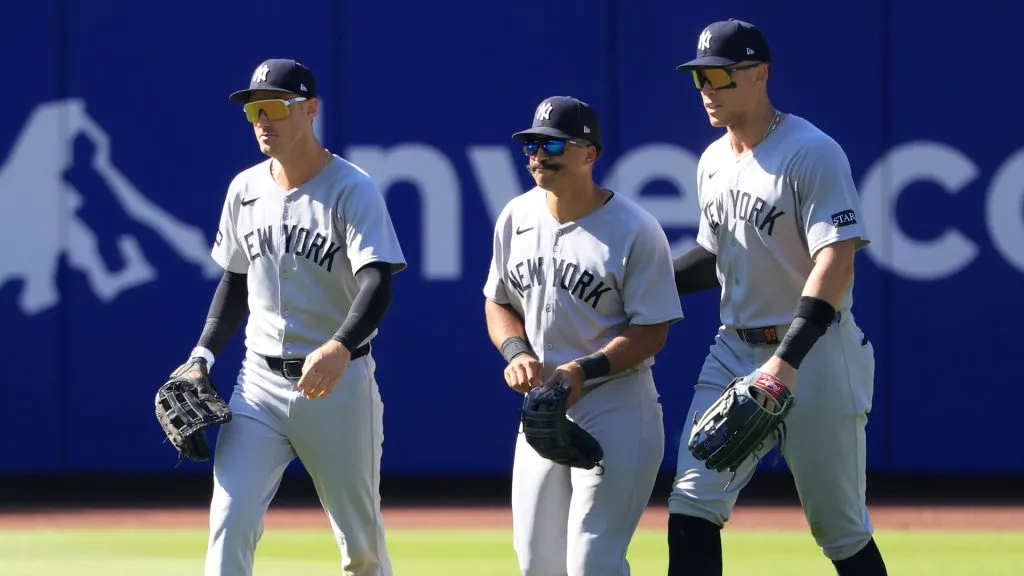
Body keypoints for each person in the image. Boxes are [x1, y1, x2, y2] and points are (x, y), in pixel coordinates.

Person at [667, 20, 889, 575]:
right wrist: (640, 282)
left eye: (721, 75)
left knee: (840, 530)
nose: (708, 91)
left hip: (814, 353)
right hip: (732, 351)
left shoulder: (811, 152)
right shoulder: (713, 160)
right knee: (690, 505)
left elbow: (835, 260)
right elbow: (711, 260)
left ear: (760, 73)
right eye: (699, 79)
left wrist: (785, 361)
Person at [186, 58, 406, 576]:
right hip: (257, 384)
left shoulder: (352, 188)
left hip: (338, 383)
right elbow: (236, 282)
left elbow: (378, 281)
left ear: (310, 110)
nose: (262, 120)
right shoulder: (244, 188)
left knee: (362, 545)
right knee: (229, 519)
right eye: (253, 110)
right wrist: (200, 356)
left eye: (274, 108)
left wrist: (340, 344)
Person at [482, 95, 684, 576]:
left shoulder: (635, 228)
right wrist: (515, 350)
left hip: (615, 403)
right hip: (543, 403)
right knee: (537, 564)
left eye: (552, 144)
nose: (538, 156)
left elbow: (652, 330)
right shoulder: (516, 216)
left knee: (593, 561)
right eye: (531, 145)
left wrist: (582, 369)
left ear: (589, 154)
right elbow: (498, 301)